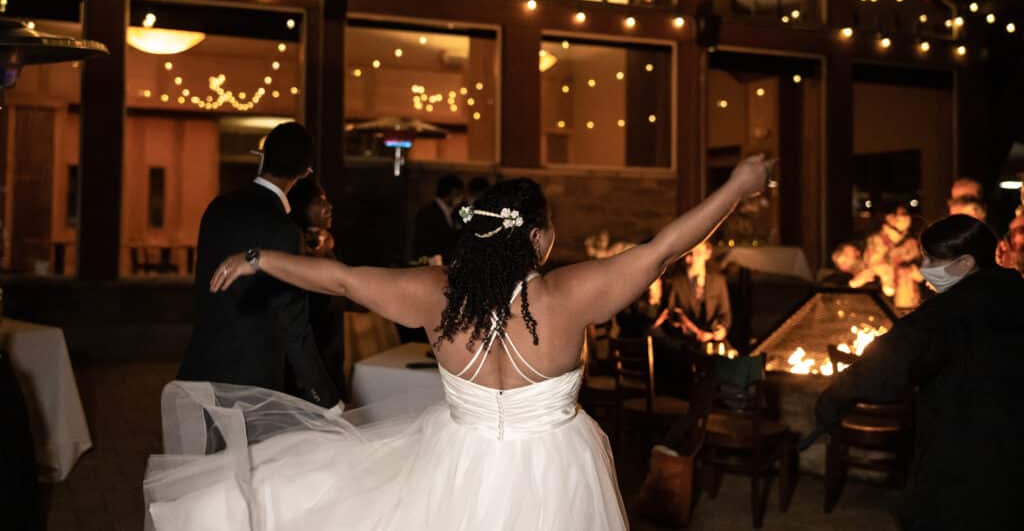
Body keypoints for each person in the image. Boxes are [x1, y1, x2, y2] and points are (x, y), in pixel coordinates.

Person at [143, 156, 772, 530]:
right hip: (556, 469)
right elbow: (665, 248)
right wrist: (738, 187)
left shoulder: (436, 295)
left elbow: (339, 277)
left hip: (457, 464)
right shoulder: (568, 296)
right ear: (539, 241)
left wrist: (260, 258)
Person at [813, 215, 1024, 530]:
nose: (925, 267)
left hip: (959, 462)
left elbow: (886, 364)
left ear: (965, 262)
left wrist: (831, 401)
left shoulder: (945, 313)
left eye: (933, 259)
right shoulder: (1015, 295)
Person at [177, 122, 340, 409]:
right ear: (305, 172)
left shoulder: (218, 207)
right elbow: (294, 323)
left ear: (262, 158)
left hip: (200, 367)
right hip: (251, 383)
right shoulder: (285, 231)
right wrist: (325, 397)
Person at [288, 177, 346, 399]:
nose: (328, 207)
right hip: (310, 359)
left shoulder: (326, 245)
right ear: (301, 206)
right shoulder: (296, 249)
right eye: (320, 201)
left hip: (331, 352)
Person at [654, 241, 731, 343]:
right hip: (683, 344)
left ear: (708, 254)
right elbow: (670, 313)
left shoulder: (718, 281)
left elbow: (725, 313)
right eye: (690, 253)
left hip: (711, 343)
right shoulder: (674, 281)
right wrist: (690, 331)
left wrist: (721, 329)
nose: (694, 258)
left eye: (698, 253)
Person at [860, 205, 924, 309]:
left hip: (911, 297)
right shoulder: (876, 241)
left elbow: (922, 268)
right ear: (889, 217)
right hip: (884, 300)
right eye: (901, 214)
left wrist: (913, 272)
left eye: (906, 214)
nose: (905, 218)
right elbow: (874, 266)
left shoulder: (911, 242)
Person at [412, 174, 464, 263]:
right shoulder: (428, 213)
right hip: (430, 264)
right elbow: (422, 243)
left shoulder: (456, 212)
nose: (461, 197)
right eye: (458, 194)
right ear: (452, 192)